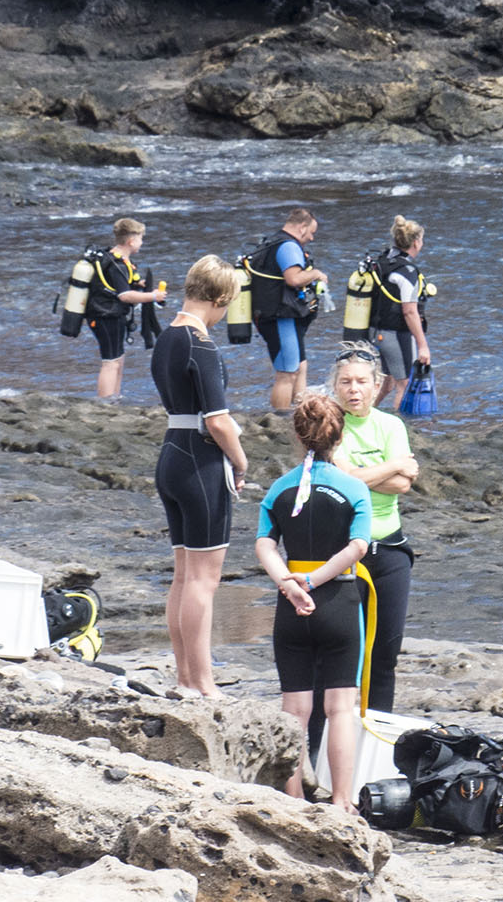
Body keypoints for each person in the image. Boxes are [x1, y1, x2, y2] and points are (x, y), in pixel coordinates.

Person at [255, 395, 372, 812]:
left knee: (294, 710)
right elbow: (358, 546)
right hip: (338, 598)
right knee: (340, 708)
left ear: (298, 435)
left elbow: (265, 543)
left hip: (291, 608)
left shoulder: (280, 487)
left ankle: (294, 797)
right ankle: (342, 800)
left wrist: (290, 583)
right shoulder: (354, 486)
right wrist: (314, 580)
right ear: (339, 436)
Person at [152, 255, 250, 697]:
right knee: (203, 580)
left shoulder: (166, 336)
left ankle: (184, 678)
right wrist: (241, 460)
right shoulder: (200, 344)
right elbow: (218, 420)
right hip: (200, 461)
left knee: (182, 575)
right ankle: (204, 684)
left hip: (171, 453)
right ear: (221, 298)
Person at [330, 344, 418, 711]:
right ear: (334, 386)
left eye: (362, 382)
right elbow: (345, 479)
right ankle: (338, 735)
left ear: (378, 384)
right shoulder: (329, 425)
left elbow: (404, 485)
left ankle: (379, 732)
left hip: (391, 551)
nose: (354, 389)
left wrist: (362, 476)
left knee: (385, 655)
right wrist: (393, 465)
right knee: (343, 656)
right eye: (346, 382)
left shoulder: (390, 424)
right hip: (344, 551)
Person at [245, 209, 329, 411]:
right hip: (280, 317)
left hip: (274, 314)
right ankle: (280, 419)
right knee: (287, 372)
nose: (311, 237)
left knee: (300, 366)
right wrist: (317, 274)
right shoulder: (289, 246)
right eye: (311, 232)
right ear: (302, 227)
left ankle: (300, 412)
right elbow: (293, 278)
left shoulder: (274, 242)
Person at [84, 218, 168, 400]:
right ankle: (105, 402)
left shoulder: (115, 258)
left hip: (111, 315)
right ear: (131, 241)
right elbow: (125, 296)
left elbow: (123, 286)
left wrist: (140, 285)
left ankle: (115, 396)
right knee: (110, 362)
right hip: (105, 317)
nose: (142, 243)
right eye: (140, 239)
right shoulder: (118, 265)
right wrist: (153, 296)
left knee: (118, 359)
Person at [368, 216, 433, 411]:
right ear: (416, 242)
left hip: (375, 332)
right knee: (404, 384)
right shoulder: (408, 272)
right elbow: (410, 311)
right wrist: (423, 346)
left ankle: (362, 415)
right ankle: (402, 429)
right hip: (395, 335)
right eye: (421, 240)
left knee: (387, 383)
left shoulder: (383, 261)